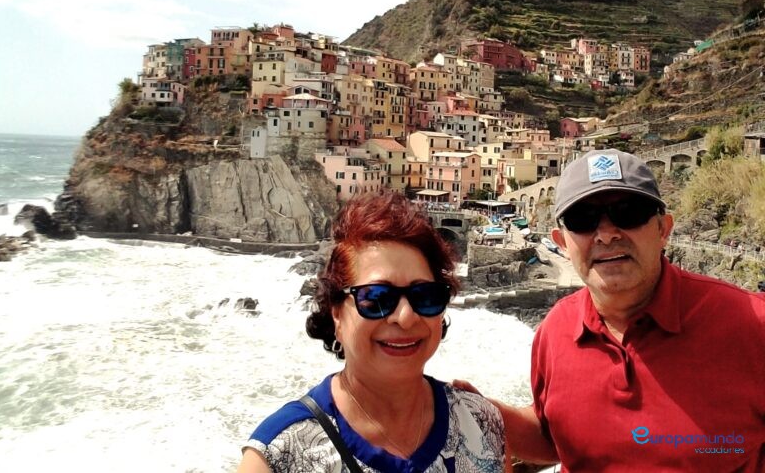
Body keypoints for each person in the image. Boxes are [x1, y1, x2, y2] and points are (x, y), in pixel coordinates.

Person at [482, 148, 765, 472]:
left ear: (663, 229)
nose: (606, 234)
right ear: (562, 242)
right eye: (583, 220)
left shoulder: (751, 324)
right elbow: (556, 434)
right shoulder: (555, 330)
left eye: (628, 212)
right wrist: (480, 413)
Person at [236, 191, 507, 472]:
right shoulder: (278, 455)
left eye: (424, 295)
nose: (405, 316)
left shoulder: (481, 421)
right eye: (377, 298)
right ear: (337, 313)